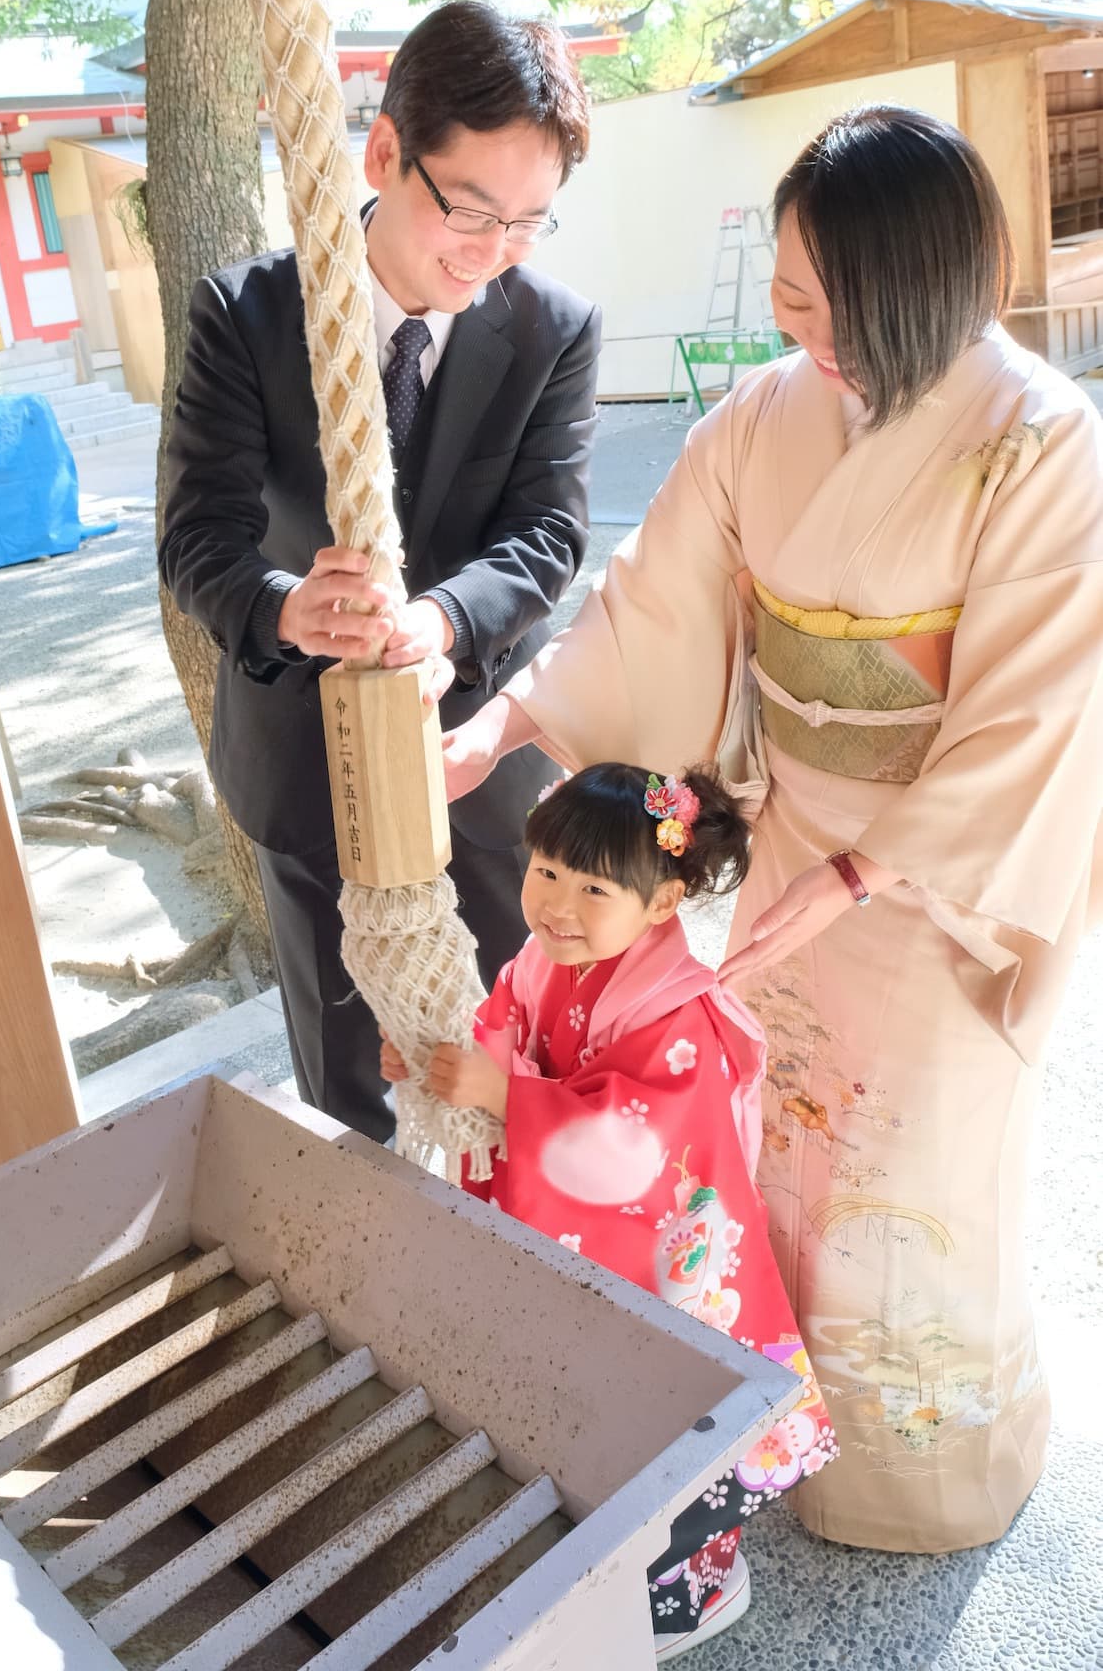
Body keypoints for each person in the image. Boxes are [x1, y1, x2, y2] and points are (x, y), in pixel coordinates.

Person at [442, 104, 1103, 1555]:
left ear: (907, 278)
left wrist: (877, 864)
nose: (787, 311)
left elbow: (1049, 704)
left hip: (936, 877)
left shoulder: (1042, 443)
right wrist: (511, 724)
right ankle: (779, 1430)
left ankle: (927, 1469)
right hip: (801, 833)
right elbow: (655, 598)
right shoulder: (764, 414)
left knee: (911, 1164)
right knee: (779, 1143)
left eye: (814, 289)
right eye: (787, 285)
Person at [159, 0, 601, 1146]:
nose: (490, 249)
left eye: (527, 223)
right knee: (354, 1092)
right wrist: (282, 604)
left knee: (507, 1057)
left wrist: (443, 622)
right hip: (302, 766)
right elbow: (196, 535)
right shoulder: (246, 313)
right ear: (380, 152)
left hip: (470, 768)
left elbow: (546, 532)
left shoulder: (551, 326)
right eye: (466, 209)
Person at [382, 762, 836, 1657]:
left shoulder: (679, 1019)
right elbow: (500, 1029)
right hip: (585, 1242)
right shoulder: (543, 963)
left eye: (594, 887)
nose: (558, 905)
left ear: (664, 903)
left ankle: (700, 1593)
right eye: (546, 870)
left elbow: (642, 1149)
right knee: (591, 1416)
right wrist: (442, 1066)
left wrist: (507, 1094)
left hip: (663, 1257)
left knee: (669, 1419)